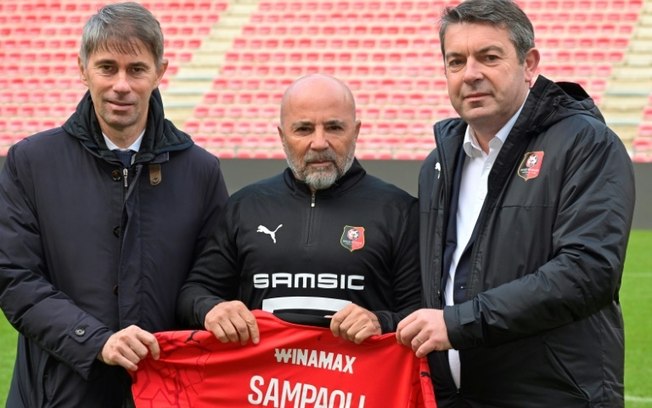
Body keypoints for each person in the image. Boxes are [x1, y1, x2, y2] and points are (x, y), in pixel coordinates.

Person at [395, 0, 636, 407]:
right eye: (456, 61)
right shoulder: (439, 163)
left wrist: (457, 324)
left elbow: (587, 272)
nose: (470, 74)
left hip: (556, 398)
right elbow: (436, 288)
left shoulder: (585, 143)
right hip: (458, 398)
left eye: (489, 57)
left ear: (529, 64)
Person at [0, 3, 228, 407]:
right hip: (54, 397)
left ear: (160, 71)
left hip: (163, 395)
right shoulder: (30, 163)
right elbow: (15, 280)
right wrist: (96, 341)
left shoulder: (201, 171)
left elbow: (209, 281)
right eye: (107, 67)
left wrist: (210, 307)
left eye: (136, 69)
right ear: (82, 68)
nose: (121, 84)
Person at [177, 73, 420, 346]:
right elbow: (193, 293)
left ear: (356, 131)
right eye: (303, 129)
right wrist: (212, 309)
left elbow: (422, 312)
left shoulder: (399, 211)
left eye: (334, 128)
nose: (319, 143)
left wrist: (381, 321)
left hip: (356, 386)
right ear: (282, 136)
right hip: (263, 385)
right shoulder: (245, 207)